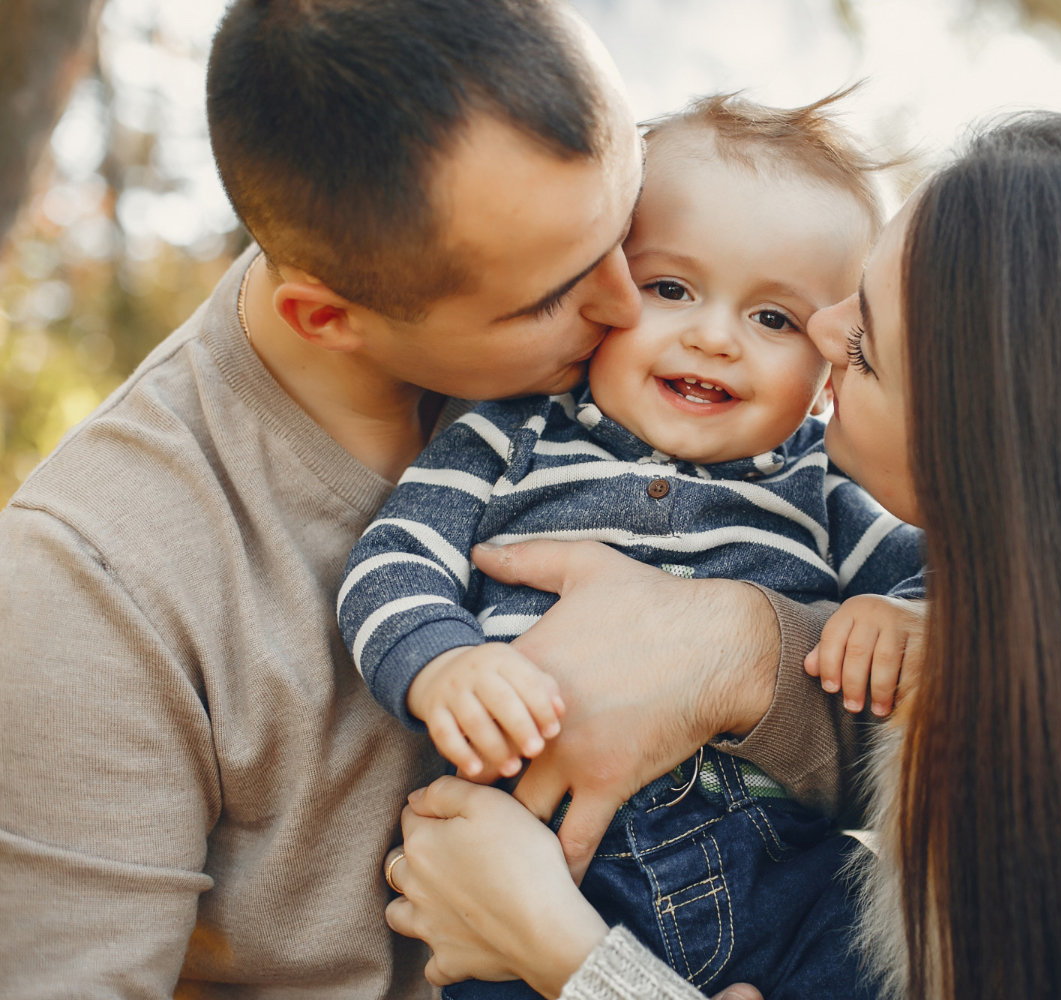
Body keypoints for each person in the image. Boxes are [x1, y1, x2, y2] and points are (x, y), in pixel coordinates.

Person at [382, 113, 1061, 1000]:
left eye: (856, 341)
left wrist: (570, 959)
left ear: (992, 458)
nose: (812, 339)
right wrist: (757, 646)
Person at [0, 2, 872, 995]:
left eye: (623, 226)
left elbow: (979, 739)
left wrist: (744, 652)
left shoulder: (690, 388)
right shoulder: (94, 582)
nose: (631, 307)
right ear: (328, 317)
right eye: (554, 291)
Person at [339, 92, 926, 1000]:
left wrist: (895, 617)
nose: (713, 336)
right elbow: (395, 560)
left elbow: (947, 600)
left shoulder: (828, 482)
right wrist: (440, 666)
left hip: (780, 866)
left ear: (826, 367)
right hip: (540, 859)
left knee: (887, 960)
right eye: (671, 289)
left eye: (773, 319)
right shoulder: (513, 436)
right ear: (603, 285)